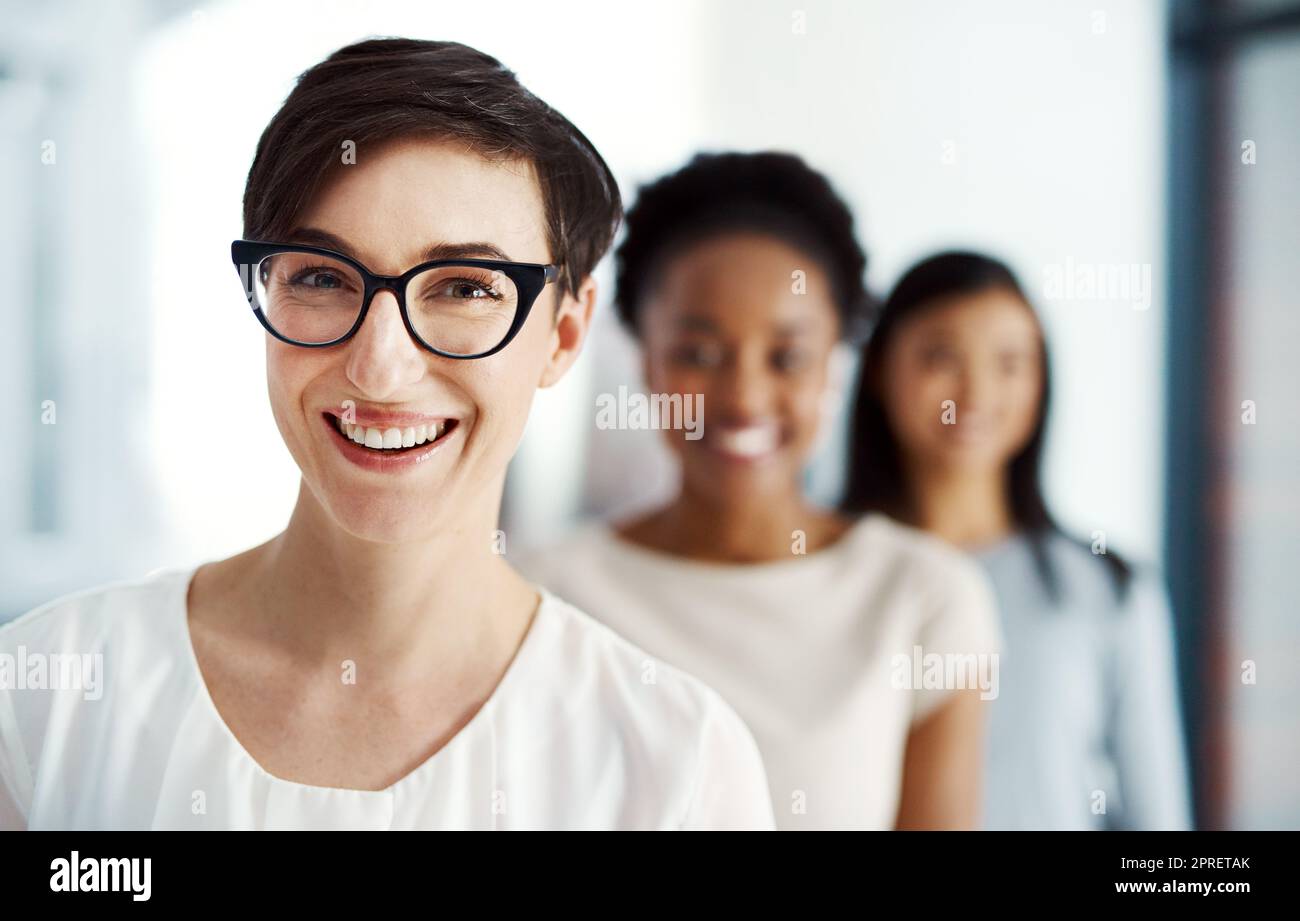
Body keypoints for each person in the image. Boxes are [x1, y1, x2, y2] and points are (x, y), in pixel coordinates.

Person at [0, 38, 774, 831]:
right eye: (323, 277)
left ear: (564, 336)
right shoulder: (45, 700)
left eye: (466, 287)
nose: (379, 367)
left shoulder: (676, 765)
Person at [518, 153, 1001, 830]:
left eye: (787, 357)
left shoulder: (923, 598)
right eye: (699, 353)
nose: (744, 398)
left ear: (837, 359)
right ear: (644, 356)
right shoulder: (540, 595)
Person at [843, 250, 1192, 829]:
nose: (975, 390)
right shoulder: (822, 569)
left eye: (1009, 362)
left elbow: (1162, 827)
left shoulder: (1107, 588)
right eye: (940, 356)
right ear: (880, 369)